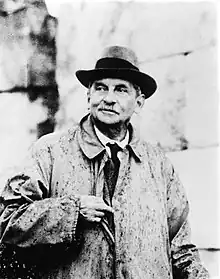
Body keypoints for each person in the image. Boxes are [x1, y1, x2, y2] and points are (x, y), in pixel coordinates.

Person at [0, 45, 209, 279]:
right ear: (89, 95)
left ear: (138, 103)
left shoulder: (159, 166)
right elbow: (8, 221)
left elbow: (181, 251)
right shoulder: (50, 151)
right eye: (101, 88)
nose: (109, 99)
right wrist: (72, 212)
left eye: (121, 90)